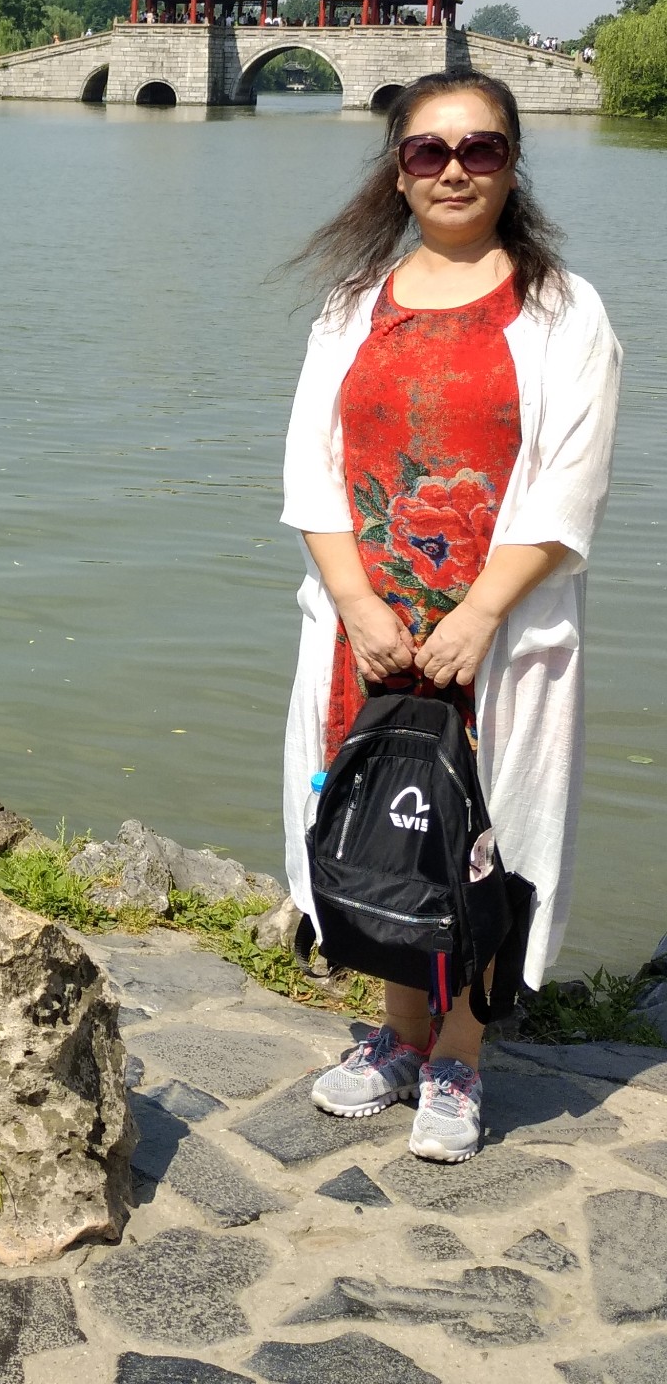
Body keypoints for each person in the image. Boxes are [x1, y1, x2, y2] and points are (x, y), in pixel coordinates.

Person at [279, 72, 621, 1161]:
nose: (455, 169)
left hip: (499, 630)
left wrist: (477, 613)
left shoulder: (563, 312)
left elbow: (570, 490)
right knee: (382, 827)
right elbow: (311, 470)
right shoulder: (352, 305)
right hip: (368, 628)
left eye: (482, 148)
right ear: (399, 171)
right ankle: (399, 1031)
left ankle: (462, 1048)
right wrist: (355, 601)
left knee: (484, 836)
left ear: (514, 163)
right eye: (429, 151)